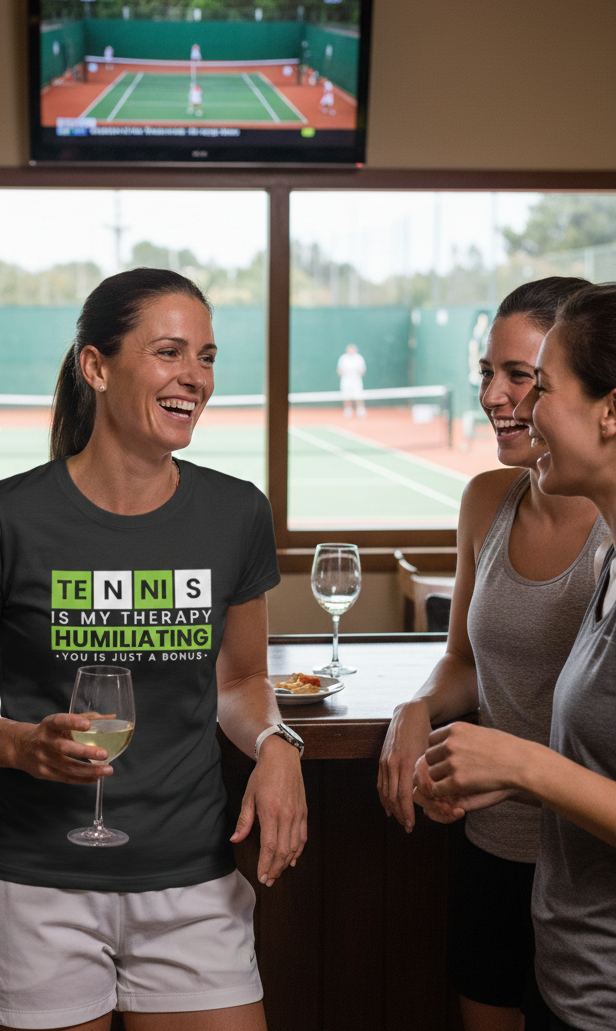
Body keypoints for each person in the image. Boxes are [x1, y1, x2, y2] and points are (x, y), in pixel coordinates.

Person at [0, 268, 307, 1031]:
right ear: (95, 365)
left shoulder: (235, 512)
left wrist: (275, 742)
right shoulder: (2, 516)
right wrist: (20, 744)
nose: (194, 375)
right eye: (168, 352)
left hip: (191, 882)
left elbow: (243, 678)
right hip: (36, 886)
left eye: (207, 356)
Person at [378, 278, 605, 1031]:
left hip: (586, 869)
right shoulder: (487, 500)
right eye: (490, 374)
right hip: (505, 853)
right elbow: (463, 661)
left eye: (530, 379)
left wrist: (518, 765)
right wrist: (418, 709)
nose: (502, 397)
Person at [337, 343, 366, 418]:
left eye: (352, 349)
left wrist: (355, 373)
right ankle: (347, 411)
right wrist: (346, 372)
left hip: (356, 381)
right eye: (349, 349)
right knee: (346, 396)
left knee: (358, 396)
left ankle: (361, 411)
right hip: (346, 381)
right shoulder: (343, 358)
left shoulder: (359, 358)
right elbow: (339, 371)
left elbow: (363, 371)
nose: (351, 351)